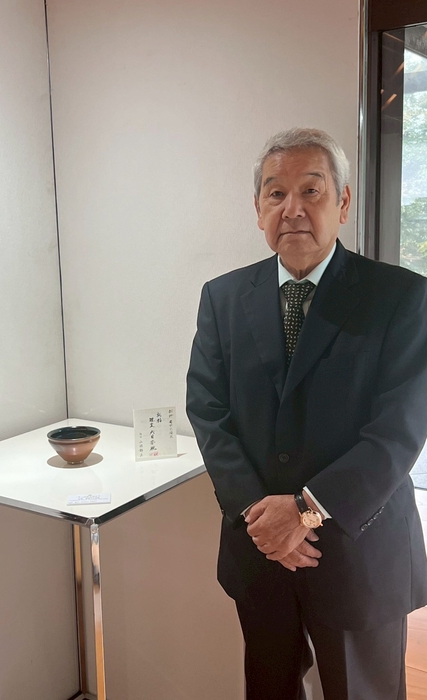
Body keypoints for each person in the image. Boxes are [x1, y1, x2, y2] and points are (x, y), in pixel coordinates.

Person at [186, 127, 427, 700]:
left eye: (311, 191)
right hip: (261, 549)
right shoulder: (223, 298)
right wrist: (261, 516)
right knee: (269, 687)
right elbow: (208, 410)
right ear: (258, 208)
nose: (291, 208)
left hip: (357, 549)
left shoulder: (401, 297)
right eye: (276, 193)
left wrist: (306, 509)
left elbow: (400, 429)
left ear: (342, 202)